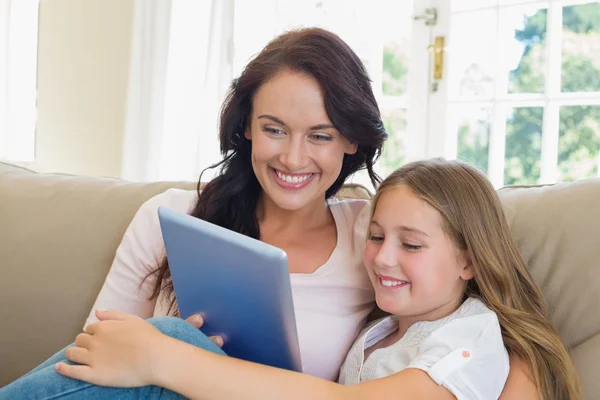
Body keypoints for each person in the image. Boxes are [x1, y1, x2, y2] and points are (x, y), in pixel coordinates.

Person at [0, 30, 544, 399]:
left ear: (350, 142)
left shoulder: (372, 237)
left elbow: (492, 325)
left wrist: (170, 358)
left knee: (172, 340)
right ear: (245, 127)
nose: (292, 158)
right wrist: (159, 353)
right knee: (170, 335)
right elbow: (95, 356)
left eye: (320, 136)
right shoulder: (170, 216)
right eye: (274, 129)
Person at [6, 159, 581, 400]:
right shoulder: (383, 333)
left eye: (411, 245)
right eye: (376, 236)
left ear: (470, 261)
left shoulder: (471, 339)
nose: (383, 258)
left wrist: (167, 359)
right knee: (179, 343)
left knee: (172, 346)